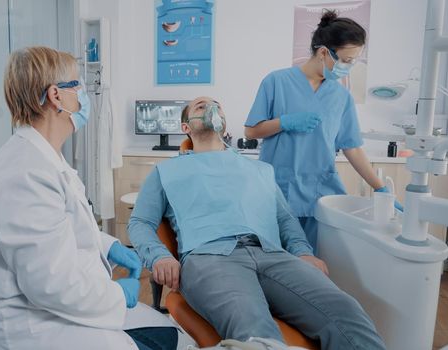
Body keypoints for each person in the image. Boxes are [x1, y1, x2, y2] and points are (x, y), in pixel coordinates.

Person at [0, 46, 189, 350]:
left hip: (61, 304)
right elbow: (49, 284)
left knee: (168, 335)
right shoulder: (24, 171)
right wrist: (115, 295)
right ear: (56, 96)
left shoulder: (45, 157)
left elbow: (60, 228)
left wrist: (109, 246)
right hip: (31, 322)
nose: (83, 95)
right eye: (78, 85)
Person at [128, 96, 386, 350]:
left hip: (273, 254)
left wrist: (303, 252)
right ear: (185, 127)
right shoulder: (166, 171)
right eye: (201, 106)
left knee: (347, 313)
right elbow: (139, 222)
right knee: (253, 328)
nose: (210, 108)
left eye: (217, 105)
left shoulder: (260, 170)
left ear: (224, 124)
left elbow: (285, 219)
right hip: (210, 258)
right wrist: (160, 256)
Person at [244, 10, 400, 251]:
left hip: (320, 192)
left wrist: (379, 186)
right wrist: (284, 122)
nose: (348, 67)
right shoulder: (276, 82)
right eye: (346, 60)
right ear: (324, 51)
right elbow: (251, 131)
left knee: (318, 263)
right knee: (279, 263)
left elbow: (352, 148)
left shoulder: (341, 97)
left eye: (353, 61)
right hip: (278, 189)